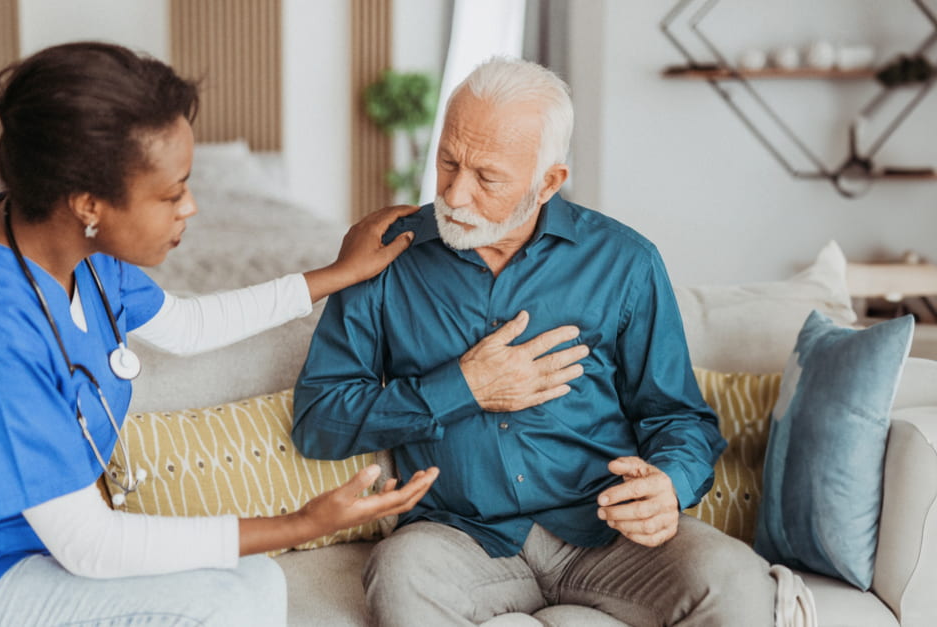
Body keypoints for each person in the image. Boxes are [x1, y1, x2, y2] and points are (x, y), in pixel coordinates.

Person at [0, 42, 438, 627]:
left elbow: (189, 326)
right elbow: (90, 545)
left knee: (255, 583)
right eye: (171, 193)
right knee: (226, 599)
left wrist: (338, 274)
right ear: (88, 203)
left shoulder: (63, 243)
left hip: (8, 548)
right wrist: (300, 523)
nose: (190, 207)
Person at [291, 57, 776, 626]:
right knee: (400, 577)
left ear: (548, 182)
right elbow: (318, 420)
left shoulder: (625, 263)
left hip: (606, 533)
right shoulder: (387, 258)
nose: (454, 193)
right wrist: (463, 388)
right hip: (458, 539)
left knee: (737, 580)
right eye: (448, 161)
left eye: (487, 177)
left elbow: (677, 415)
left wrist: (671, 483)